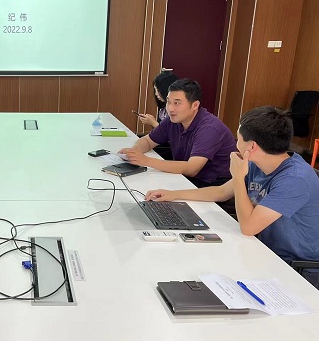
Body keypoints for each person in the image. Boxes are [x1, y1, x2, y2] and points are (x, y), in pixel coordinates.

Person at [145, 106, 319, 287]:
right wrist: (173, 194)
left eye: (239, 138)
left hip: (297, 269)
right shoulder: (259, 162)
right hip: (265, 251)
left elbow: (249, 227)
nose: (236, 143)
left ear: (251, 146)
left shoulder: (294, 179)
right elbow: (221, 192)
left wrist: (237, 176)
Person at [120, 78, 236, 187]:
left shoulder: (209, 128)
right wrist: (134, 152)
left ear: (195, 105)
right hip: (185, 177)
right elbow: (148, 141)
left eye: (177, 103)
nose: (170, 108)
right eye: (168, 102)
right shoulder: (173, 120)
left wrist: (146, 161)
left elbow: (192, 169)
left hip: (211, 184)